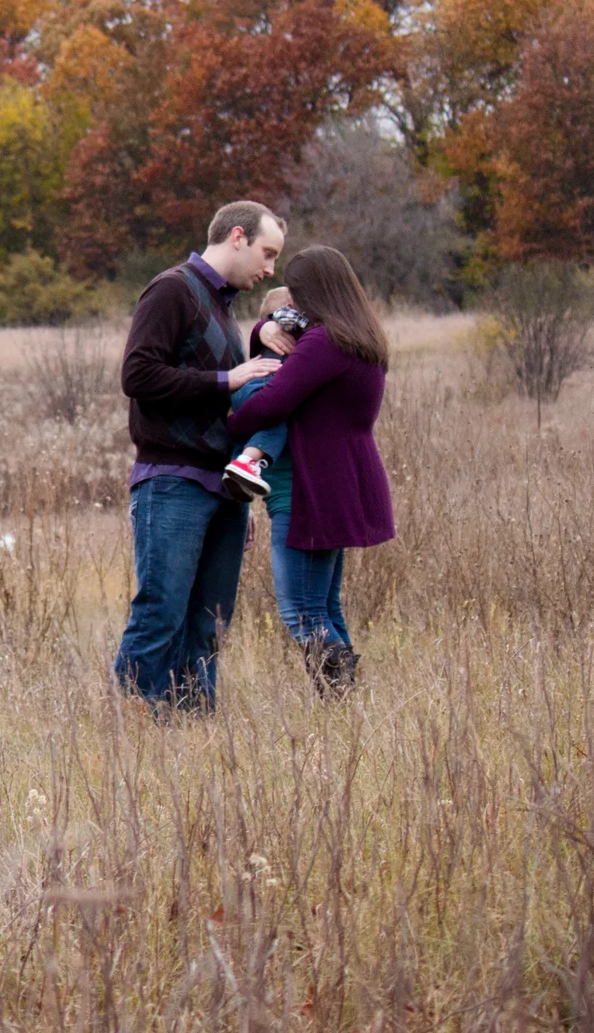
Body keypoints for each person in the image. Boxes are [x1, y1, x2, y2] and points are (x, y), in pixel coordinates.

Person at [112, 202, 285, 712]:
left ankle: (193, 733)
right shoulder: (172, 289)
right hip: (173, 480)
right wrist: (226, 378)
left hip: (223, 490)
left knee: (209, 621)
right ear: (238, 236)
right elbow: (137, 376)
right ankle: (132, 726)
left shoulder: (223, 307)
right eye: (267, 253)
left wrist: (243, 494)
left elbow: (230, 410)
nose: (271, 269)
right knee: (162, 609)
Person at [226, 245, 393, 694]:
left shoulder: (325, 342)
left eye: (297, 295)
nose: (292, 305)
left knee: (301, 611)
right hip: (340, 479)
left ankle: (340, 696)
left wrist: (230, 422)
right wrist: (264, 328)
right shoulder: (358, 335)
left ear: (314, 292)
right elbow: (282, 340)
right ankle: (344, 707)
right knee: (324, 607)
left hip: (311, 486)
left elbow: (276, 397)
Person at [221, 287, 308, 500]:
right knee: (277, 418)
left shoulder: (267, 332)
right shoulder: (286, 321)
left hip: (244, 387)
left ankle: (236, 469)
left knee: (253, 433)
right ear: (290, 306)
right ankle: (248, 462)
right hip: (263, 388)